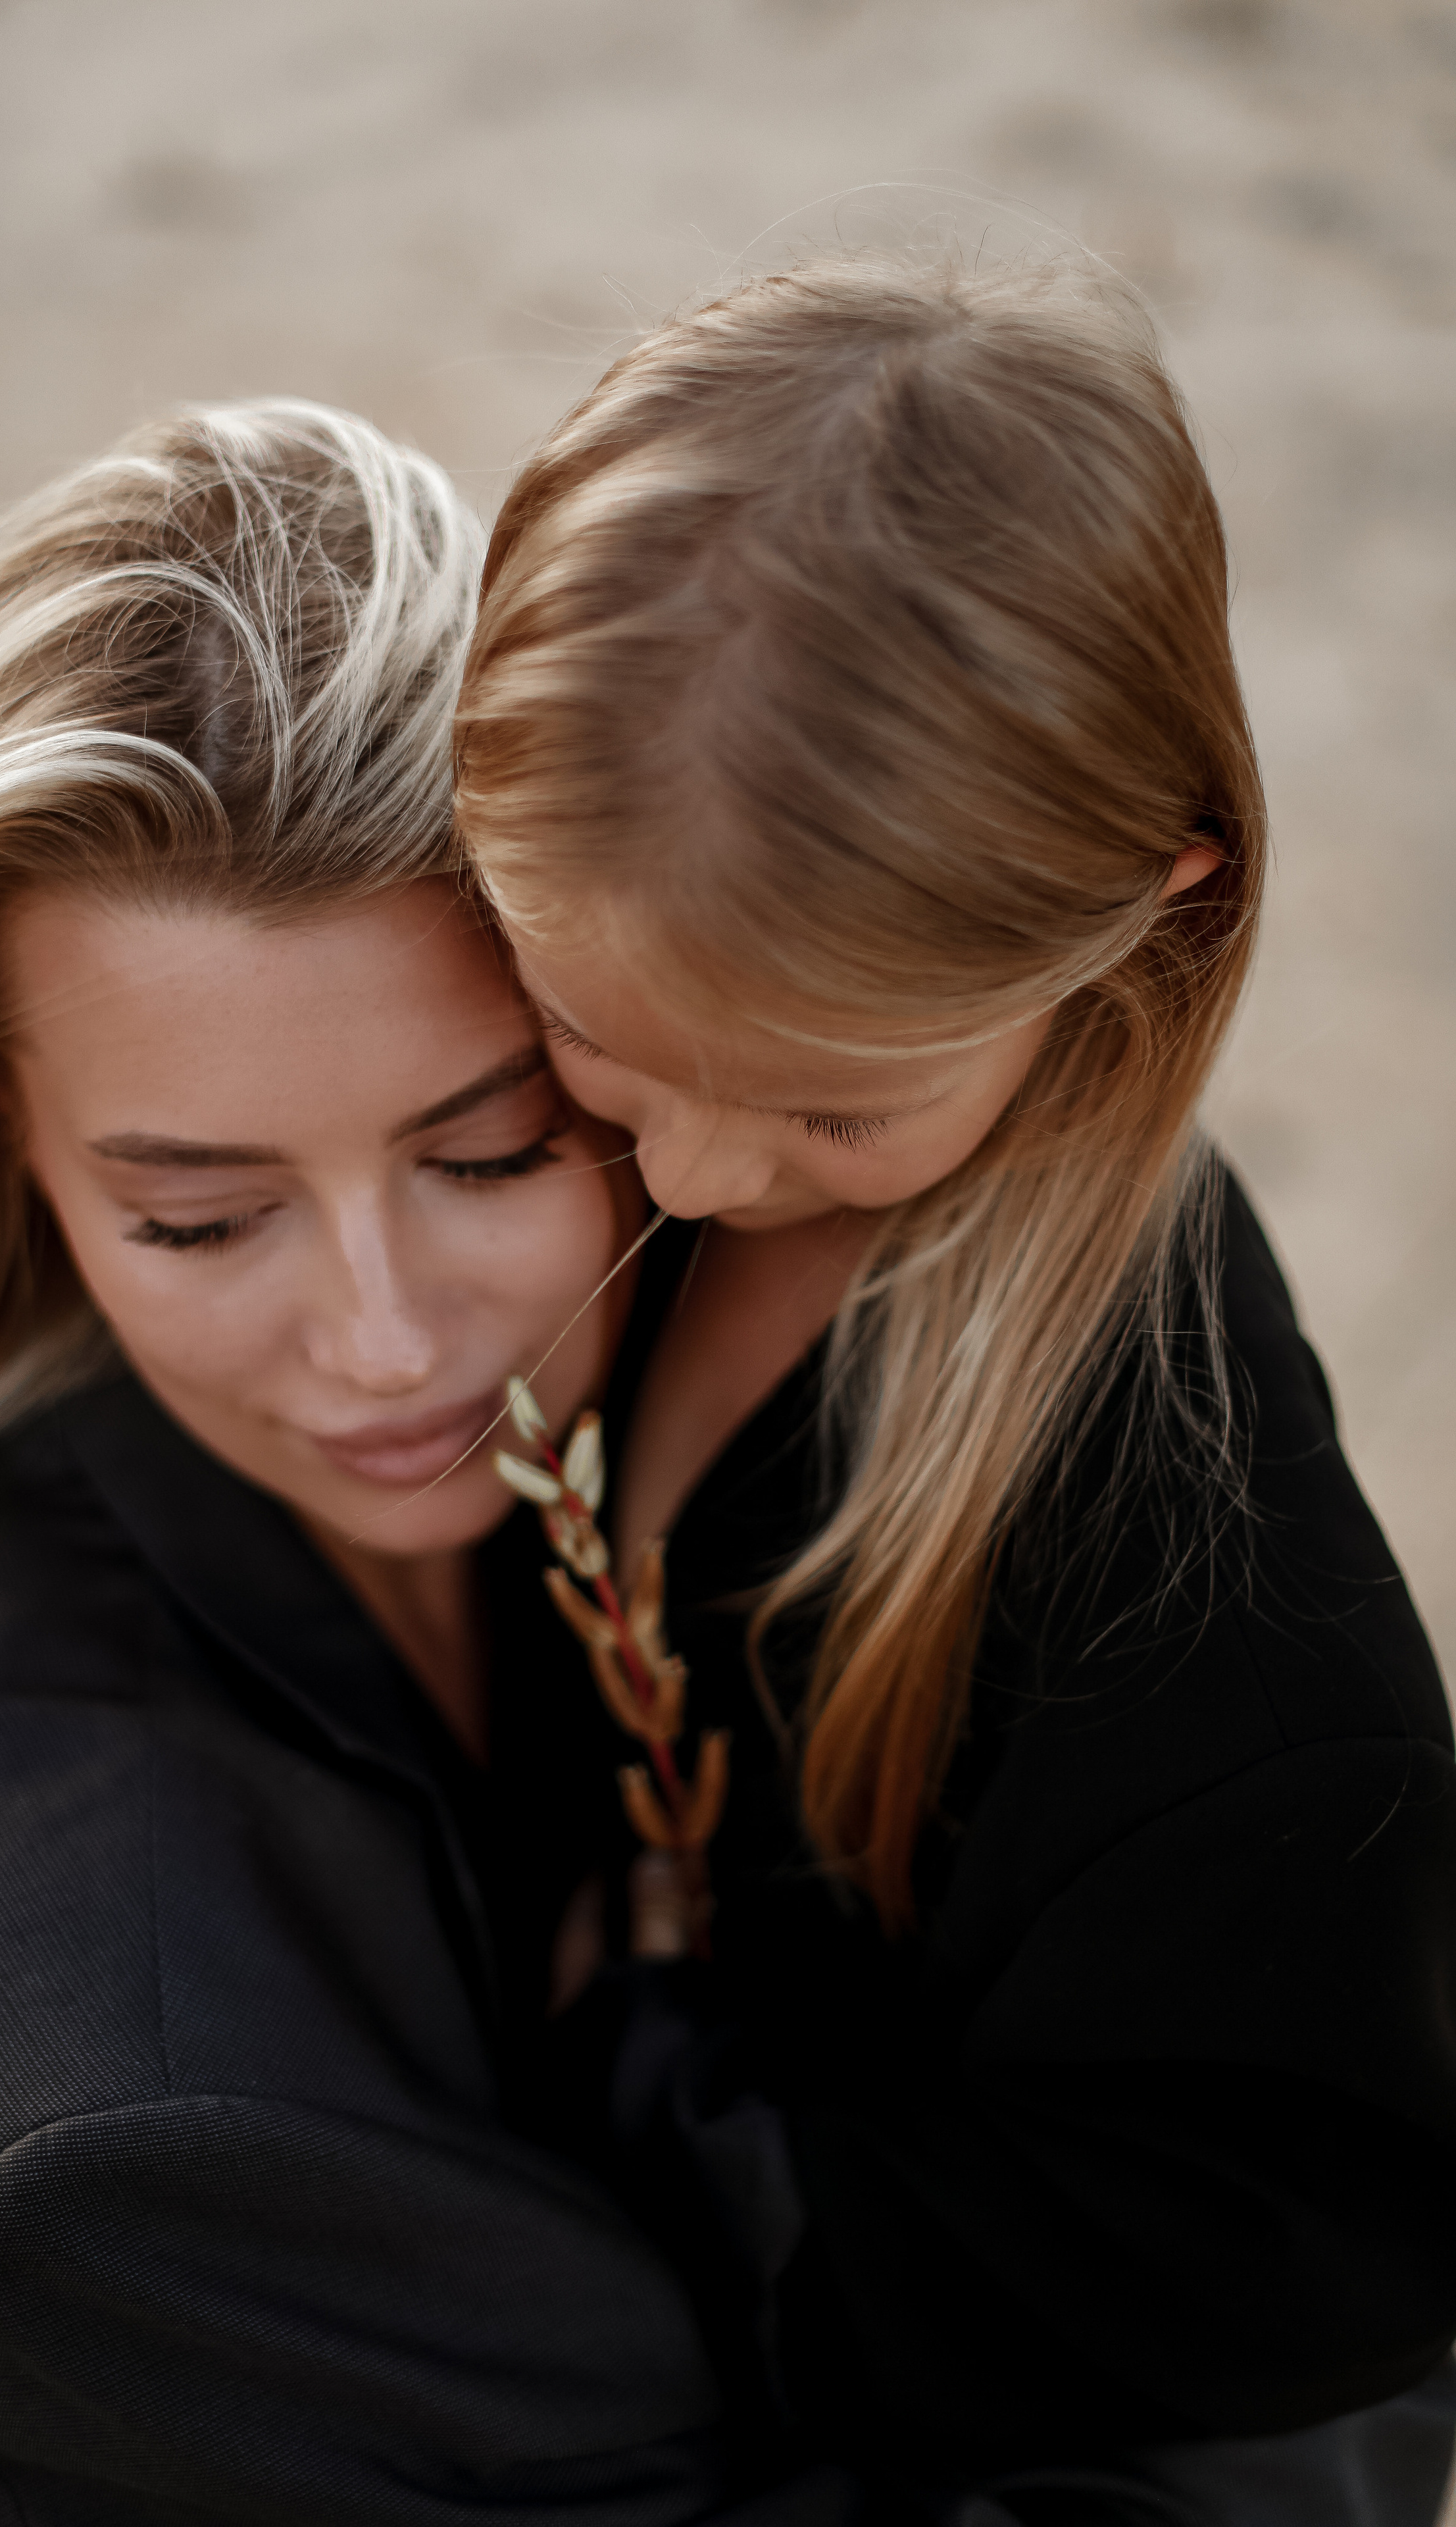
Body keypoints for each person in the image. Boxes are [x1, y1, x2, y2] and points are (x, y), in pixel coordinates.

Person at [0, 402, 857, 2526]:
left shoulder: (708, 1414)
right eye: (196, 1217)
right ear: (14, 1146)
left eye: (489, 1152)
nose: (382, 1347)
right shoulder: (131, 2144)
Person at [451, 255, 1456, 2522]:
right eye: (599, 1033)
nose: (692, 1167)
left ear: (1151, 918)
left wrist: (676, 2134)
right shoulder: (630, 1041)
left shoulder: (1209, 1611)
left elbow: (1311, 2245)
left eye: (829, 1107)